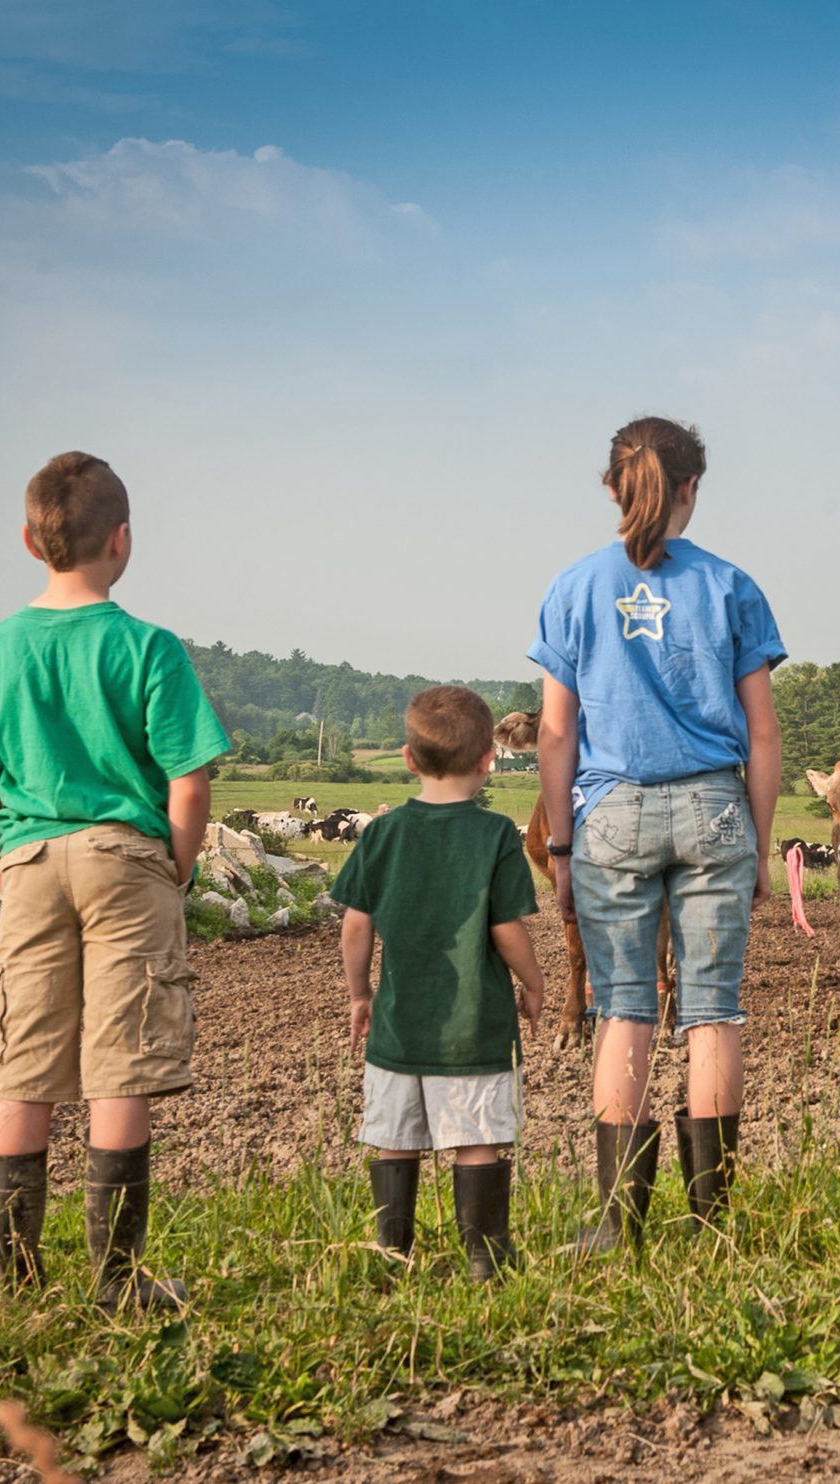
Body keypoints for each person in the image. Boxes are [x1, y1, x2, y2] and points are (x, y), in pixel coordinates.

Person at [0, 451, 230, 1309]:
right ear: (122, 539)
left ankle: (16, 1285)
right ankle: (116, 1282)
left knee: (21, 1067)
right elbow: (189, 781)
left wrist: (5, 869)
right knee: (121, 1064)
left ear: (31, 542)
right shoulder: (148, 647)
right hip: (126, 860)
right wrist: (175, 866)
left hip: (29, 861)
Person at [528, 416, 785, 1254]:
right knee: (712, 1014)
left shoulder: (572, 588)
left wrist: (560, 850)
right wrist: (759, 843)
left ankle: (618, 1224)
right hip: (714, 808)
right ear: (691, 489)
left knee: (624, 1012)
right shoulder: (732, 586)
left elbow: (556, 735)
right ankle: (712, 1225)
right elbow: (763, 733)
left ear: (612, 486)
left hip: (611, 817)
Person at [331, 685, 546, 1279]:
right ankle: (484, 1257)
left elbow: (355, 926)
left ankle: (392, 1254)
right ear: (487, 760)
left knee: (394, 1140)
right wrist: (534, 983)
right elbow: (505, 929)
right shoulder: (495, 835)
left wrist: (359, 994)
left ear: (408, 758)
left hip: (398, 1027)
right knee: (477, 1140)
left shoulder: (381, 833)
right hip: (476, 1029)